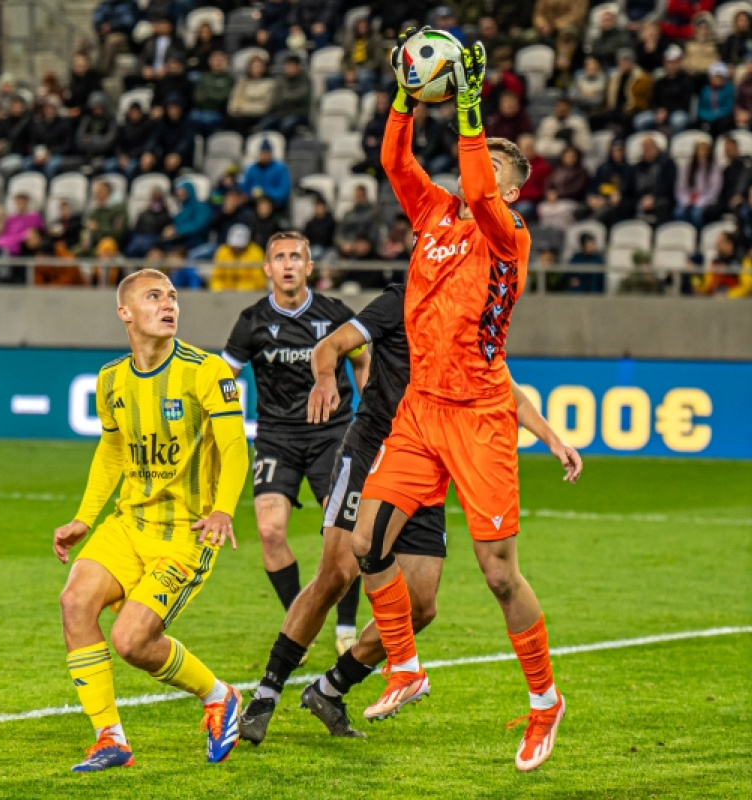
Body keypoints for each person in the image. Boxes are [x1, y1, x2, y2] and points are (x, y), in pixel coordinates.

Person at [349, 33, 565, 772]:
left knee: (499, 572)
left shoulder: (508, 235)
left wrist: (470, 110)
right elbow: (393, 163)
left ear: (512, 188)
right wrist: (408, 101)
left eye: (500, 166)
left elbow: (476, 188)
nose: (484, 170)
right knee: (365, 542)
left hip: (478, 415)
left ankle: (544, 702)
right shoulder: (435, 215)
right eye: (483, 153)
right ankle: (404, 668)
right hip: (420, 408)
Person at [239, 283, 582, 745]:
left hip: (429, 462)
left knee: (420, 606)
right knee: (338, 571)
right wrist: (325, 377)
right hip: (371, 452)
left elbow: (504, 386)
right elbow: (331, 346)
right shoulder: (402, 298)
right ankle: (266, 693)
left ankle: (331, 688)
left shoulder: (472, 306)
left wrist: (551, 437)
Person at [52, 268, 248, 771]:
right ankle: (109, 738)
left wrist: (223, 507)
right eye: (154, 296)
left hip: (185, 532)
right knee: (75, 602)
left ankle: (219, 695)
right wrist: (83, 518)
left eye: (173, 296)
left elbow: (233, 446)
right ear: (126, 313)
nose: (169, 304)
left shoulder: (206, 372)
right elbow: (113, 450)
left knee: (131, 641)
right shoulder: (111, 379)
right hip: (127, 525)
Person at [221, 231, 369, 646]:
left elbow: (361, 360)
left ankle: (344, 627)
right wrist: (218, 413)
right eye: (279, 258)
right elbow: (224, 375)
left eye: (295, 257)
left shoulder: (335, 313)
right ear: (267, 269)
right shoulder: (252, 321)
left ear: (309, 267)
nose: (287, 264)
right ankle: (298, 622)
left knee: (341, 531)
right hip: (276, 438)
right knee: (269, 531)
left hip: (333, 435)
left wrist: (369, 412)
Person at [675, 140, 721, 230]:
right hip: (688, 198)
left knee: (697, 213)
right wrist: (685, 200)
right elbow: (680, 187)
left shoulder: (714, 168)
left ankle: (698, 235)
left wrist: (701, 201)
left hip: (705, 200)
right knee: (678, 212)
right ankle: (685, 233)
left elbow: (715, 189)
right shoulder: (687, 166)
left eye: (704, 150)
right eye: (699, 150)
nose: (702, 152)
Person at [209, 223, 267, 290]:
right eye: (233, 246)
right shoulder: (222, 252)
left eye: (239, 246)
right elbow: (215, 278)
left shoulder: (255, 253)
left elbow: (259, 283)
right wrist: (221, 289)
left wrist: (238, 290)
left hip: (248, 294)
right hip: (224, 293)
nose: (236, 248)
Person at [241, 138, 291, 211]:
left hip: (274, 204)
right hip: (253, 203)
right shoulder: (252, 169)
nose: (264, 156)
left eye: (267, 153)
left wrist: (265, 193)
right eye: (262, 153)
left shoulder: (280, 168)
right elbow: (244, 188)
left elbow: (284, 191)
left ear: (271, 154)